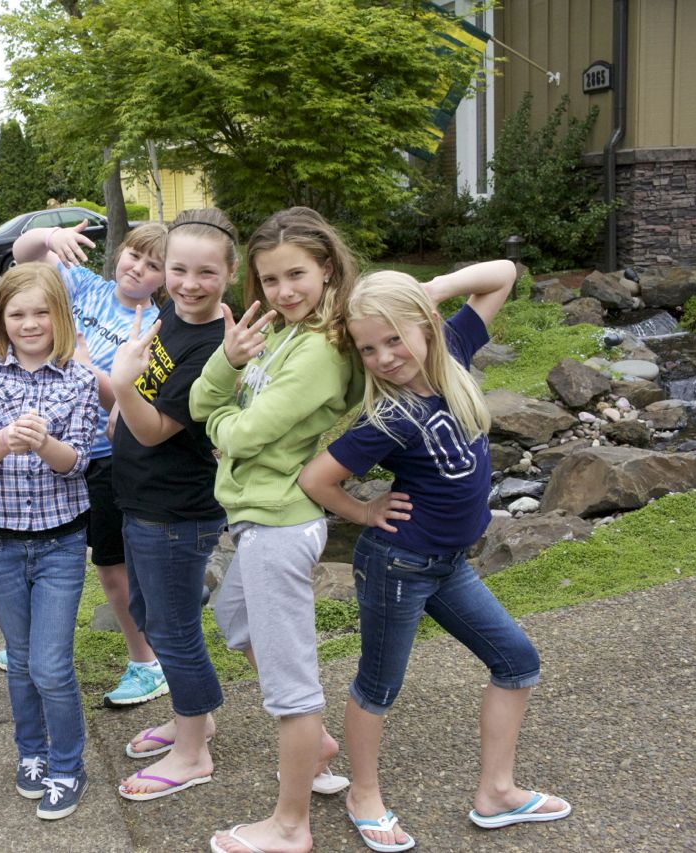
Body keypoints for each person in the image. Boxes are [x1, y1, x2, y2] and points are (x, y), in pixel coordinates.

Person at [298, 260, 570, 852]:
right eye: (369, 349)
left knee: (517, 663)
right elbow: (316, 479)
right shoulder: (387, 418)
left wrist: (434, 290)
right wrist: (366, 512)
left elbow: (503, 274)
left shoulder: (454, 347)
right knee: (379, 686)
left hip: (448, 564)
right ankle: (361, 793)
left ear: (425, 324)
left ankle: (496, 792)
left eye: (395, 337)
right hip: (398, 564)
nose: (385, 356)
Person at [193, 207, 362, 853]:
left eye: (296, 274)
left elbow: (243, 430)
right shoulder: (284, 332)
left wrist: (223, 429)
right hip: (256, 519)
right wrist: (228, 362)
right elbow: (207, 403)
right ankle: (312, 739)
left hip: (280, 525)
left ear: (326, 267)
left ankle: (291, 825)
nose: (283, 290)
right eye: (269, 279)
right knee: (234, 616)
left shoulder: (320, 349)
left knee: (292, 687)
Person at [8, 219, 171, 707]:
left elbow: (122, 405)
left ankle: (145, 663)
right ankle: (37, 643)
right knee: (42, 547)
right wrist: (47, 236)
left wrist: (85, 366)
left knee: (110, 567)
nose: (137, 270)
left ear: (166, 279)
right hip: (47, 446)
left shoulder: (153, 331)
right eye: (133, 256)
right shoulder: (85, 286)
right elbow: (23, 258)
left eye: (153, 266)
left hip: (102, 459)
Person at [0, 263, 99, 820]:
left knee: (50, 665)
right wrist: (3, 439)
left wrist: (44, 444)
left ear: (59, 316)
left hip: (61, 543)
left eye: (41, 312)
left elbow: (77, 464)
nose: (30, 322)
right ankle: (32, 753)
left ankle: (69, 764)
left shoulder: (80, 379)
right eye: (18, 313)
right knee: (20, 660)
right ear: (2, 319)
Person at [108, 208, 236, 803]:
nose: (188, 283)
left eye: (205, 273)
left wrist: (122, 385)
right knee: (149, 612)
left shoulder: (216, 347)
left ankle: (193, 751)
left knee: (175, 629)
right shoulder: (169, 315)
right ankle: (195, 718)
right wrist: (121, 401)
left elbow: (158, 428)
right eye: (178, 269)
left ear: (228, 275)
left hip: (178, 512)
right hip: (140, 500)